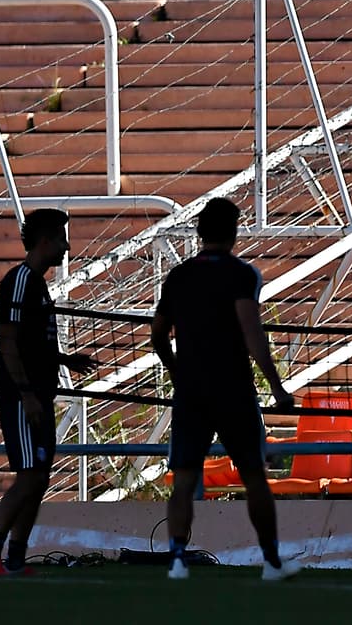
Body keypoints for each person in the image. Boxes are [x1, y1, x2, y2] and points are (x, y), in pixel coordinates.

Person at [150, 197, 300, 581]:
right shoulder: (242, 275)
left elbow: (157, 336)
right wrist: (278, 389)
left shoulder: (178, 277)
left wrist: (177, 372)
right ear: (233, 232)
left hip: (192, 393)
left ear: (200, 232)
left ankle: (178, 562)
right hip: (233, 390)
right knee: (254, 477)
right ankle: (271, 562)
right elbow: (252, 332)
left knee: (184, 480)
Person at [0, 208, 97, 576]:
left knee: (39, 477)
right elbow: (7, 341)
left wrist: (63, 359)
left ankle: (14, 558)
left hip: (38, 392)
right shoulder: (21, 280)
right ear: (46, 240)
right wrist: (26, 393)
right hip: (20, 395)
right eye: (62, 238)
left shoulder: (36, 283)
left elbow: (28, 342)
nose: (66, 247)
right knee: (29, 475)